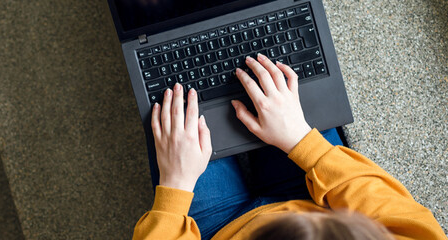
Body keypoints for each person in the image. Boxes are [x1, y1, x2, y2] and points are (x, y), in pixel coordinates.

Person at [133, 54, 446, 239]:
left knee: (173, 95)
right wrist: (302, 141)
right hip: (314, 194)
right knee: (271, 63)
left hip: (220, 227)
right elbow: (385, 206)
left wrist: (174, 189)